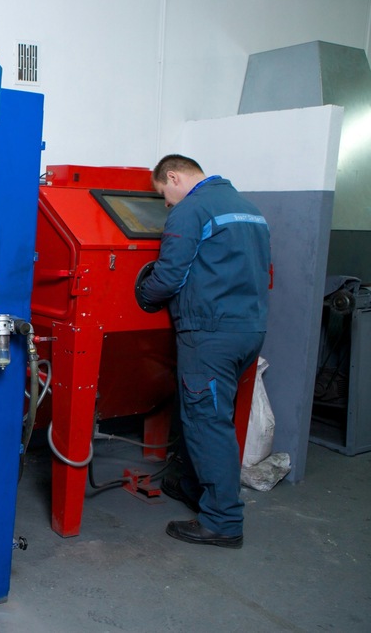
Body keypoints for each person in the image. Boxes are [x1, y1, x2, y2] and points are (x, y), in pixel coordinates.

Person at [135, 154, 271, 549]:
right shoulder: (249, 209)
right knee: (211, 414)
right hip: (249, 329)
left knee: (207, 423)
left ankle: (223, 522)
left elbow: (169, 275)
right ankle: (195, 488)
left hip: (210, 334)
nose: (166, 204)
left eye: (164, 195)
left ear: (174, 177)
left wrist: (143, 297)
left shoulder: (191, 210)